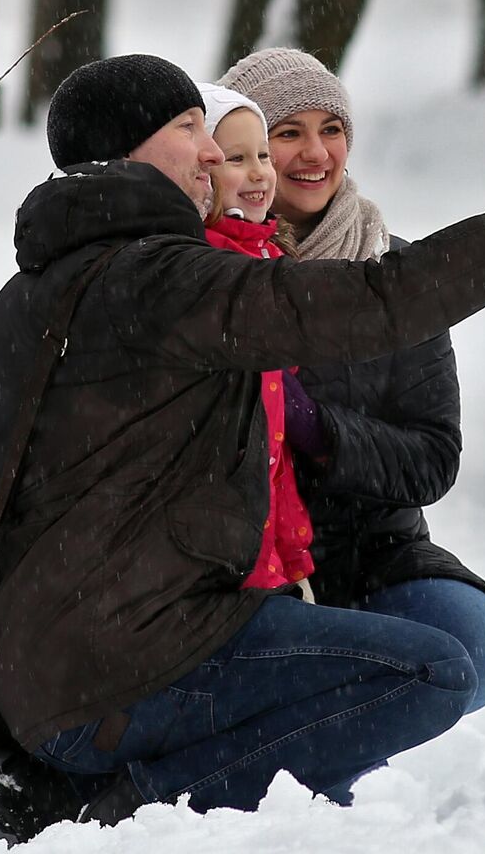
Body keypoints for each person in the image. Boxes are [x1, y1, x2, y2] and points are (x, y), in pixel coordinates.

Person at [0, 54, 485, 839]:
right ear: (125, 153)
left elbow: (424, 443)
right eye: (191, 131)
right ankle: (132, 802)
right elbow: (382, 299)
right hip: (124, 673)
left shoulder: (36, 290)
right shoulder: (162, 282)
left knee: (460, 647)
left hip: (53, 665)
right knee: (433, 673)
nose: (210, 154)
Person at [220, 48, 485, 717]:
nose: (315, 153)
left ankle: (326, 725)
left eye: (331, 129)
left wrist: (319, 432)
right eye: (287, 131)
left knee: (480, 649)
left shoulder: (398, 274)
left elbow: (432, 458)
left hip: (376, 557)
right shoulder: (216, 272)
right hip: (247, 571)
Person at [197, 81, 316, 596]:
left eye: (263, 155)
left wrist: (293, 555)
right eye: (236, 157)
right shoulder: (203, 264)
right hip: (223, 539)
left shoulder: (269, 258)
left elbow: (278, 451)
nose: (259, 172)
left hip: (268, 522)